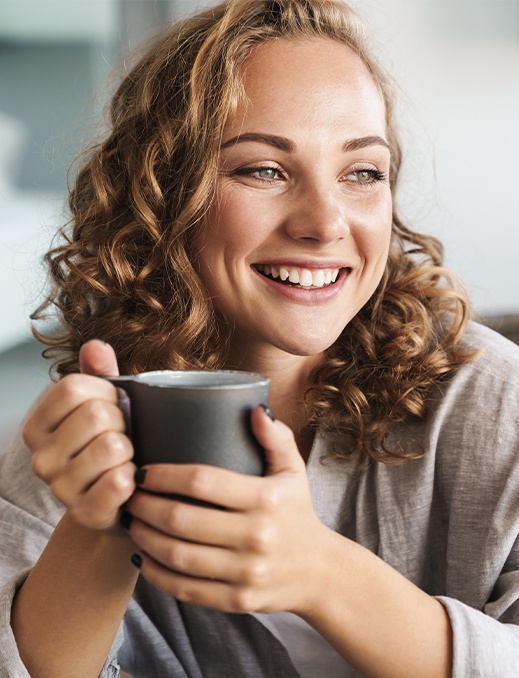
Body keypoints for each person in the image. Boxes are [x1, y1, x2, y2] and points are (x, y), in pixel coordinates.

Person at [0, 0, 518, 676]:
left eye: (362, 173)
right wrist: (98, 523)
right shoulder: (69, 448)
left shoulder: (491, 402)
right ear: (159, 196)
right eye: (263, 170)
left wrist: (321, 575)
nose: (326, 222)